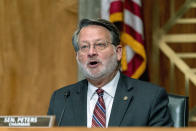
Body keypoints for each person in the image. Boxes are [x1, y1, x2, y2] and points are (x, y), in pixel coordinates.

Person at [47, 18, 173, 127]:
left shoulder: (150, 98)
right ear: (77, 57)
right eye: (84, 47)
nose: (91, 52)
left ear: (118, 52)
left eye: (100, 44)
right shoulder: (61, 99)